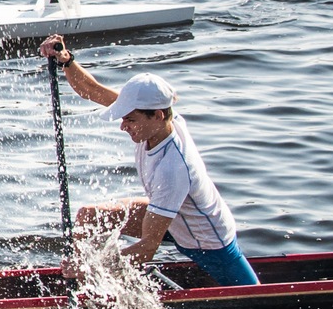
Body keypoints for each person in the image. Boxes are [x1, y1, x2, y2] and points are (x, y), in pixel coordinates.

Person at [38, 35, 259, 287]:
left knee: (251, 293)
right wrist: (66, 60)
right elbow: (93, 90)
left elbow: (146, 249)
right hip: (171, 214)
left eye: (130, 120)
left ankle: (87, 276)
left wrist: (92, 267)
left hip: (207, 242)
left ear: (158, 116)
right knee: (90, 217)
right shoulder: (158, 117)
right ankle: (85, 288)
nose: (123, 126)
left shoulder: (173, 168)